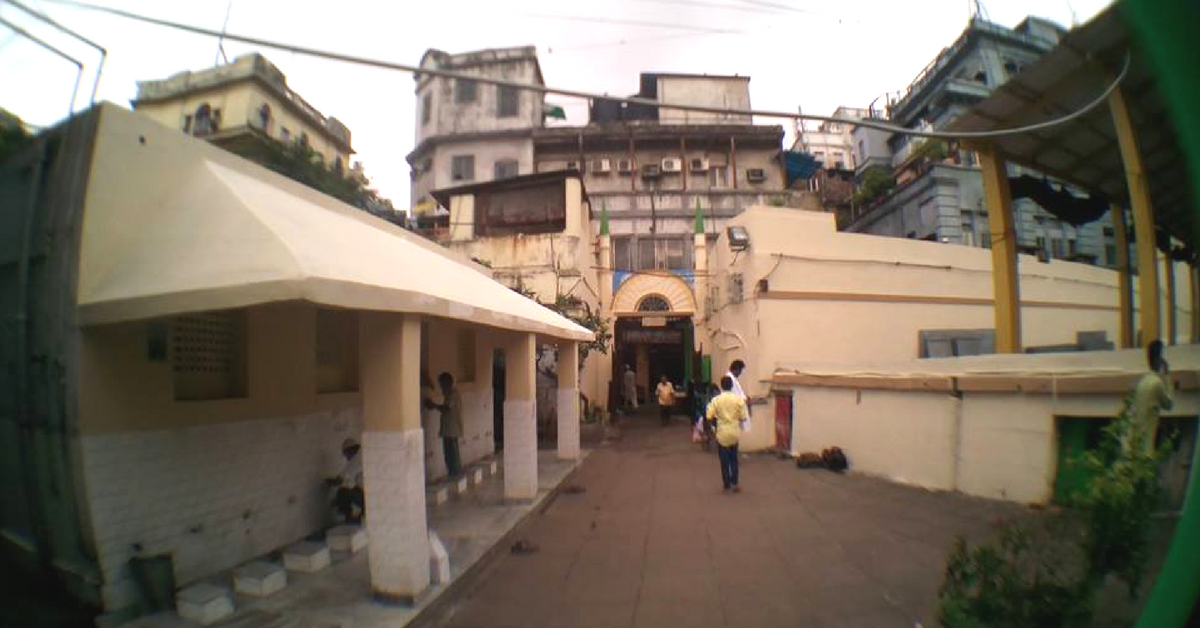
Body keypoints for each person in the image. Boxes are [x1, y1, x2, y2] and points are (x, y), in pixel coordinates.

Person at [707, 375, 748, 493]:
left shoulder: (716, 400)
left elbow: (709, 416)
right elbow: (743, 417)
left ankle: (726, 485)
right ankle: (735, 483)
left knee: (724, 461)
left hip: (722, 434)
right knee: (734, 459)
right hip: (734, 433)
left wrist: (714, 428)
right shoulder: (738, 400)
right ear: (731, 386)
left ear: (722, 386)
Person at [1130, 339, 1173, 452]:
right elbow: (1169, 404)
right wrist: (1167, 376)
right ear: (1159, 359)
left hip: (1137, 443)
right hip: (1147, 445)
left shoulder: (1142, 383)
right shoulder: (1156, 383)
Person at [432, 372, 463, 477]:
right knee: (450, 453)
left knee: (451, 454)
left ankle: (455, 474)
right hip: (449, 429)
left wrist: (434, 405)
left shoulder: (453, 394)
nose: (441, 387)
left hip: (452, 429)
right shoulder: (450, 394)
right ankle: (453, 473)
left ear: (447, 383)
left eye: (442, 384)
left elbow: (447, 408)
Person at [327, 437, 364, 524]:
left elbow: (339, 480)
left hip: (369, 498)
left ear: (351, 450)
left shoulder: (357, 459)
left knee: (342, 492)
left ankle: (349, 519)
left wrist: (329, 482)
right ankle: (361, 514)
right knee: (349, 489)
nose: (346, 457)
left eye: (346, 454)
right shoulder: (362, 454)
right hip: (369, 494)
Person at [726, 359, 750, 432]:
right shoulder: (729, 378)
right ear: (736, 369)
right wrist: (744, 400)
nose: (740, 373)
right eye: (740, 371)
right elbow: (734, 395)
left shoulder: (733, 378)